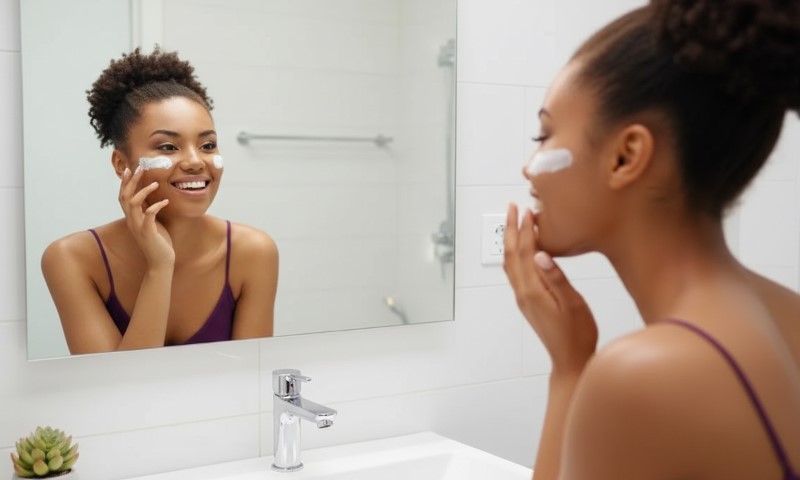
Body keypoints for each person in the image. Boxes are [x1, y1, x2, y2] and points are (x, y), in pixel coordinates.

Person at [503, 0, 800, 478]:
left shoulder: (643, 376)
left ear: (626, 156)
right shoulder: (789, 314)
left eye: (545, 136)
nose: (527, 168)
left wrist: (570, 372)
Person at [42, 48, 278, 354]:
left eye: (208, 145)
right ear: (119, 163)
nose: (195, 161)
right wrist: (159, 266)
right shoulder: (71, 259)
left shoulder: (253, 252)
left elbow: (253, 380)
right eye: (168, 147)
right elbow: (113, 391)